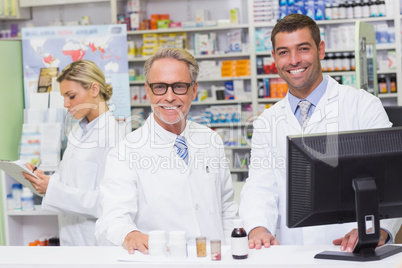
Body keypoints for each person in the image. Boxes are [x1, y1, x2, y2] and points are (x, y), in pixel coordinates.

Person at [239, 13, 402, 252]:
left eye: (303, 49)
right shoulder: (267, 121)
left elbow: (391, 180)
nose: (294, 60)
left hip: (353, 250)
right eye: (284, 52)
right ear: (274, 58)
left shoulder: (362, 105)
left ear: (321, 50)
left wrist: (378, 228)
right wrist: (258, 227)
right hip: (292, 253)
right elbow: (260, 185)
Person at [95, 48, 238, 254]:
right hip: (162, 261)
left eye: (179, 86)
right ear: (148, 90)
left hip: (215, 260)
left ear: (194, 90)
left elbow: (227, 209)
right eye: (160, 87)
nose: (169, 97)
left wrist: (230, 251)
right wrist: (129, 234)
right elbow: (112, 219)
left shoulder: (211, 140)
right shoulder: (125, 153)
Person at [23, 60, 124, 246]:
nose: (65, 104)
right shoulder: (78, 130)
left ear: (94, 89)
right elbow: (66, 176)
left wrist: (52, 189)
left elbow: (107, 201)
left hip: (93, 241)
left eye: (71, 96)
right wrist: (43, 180)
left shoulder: (112, 137)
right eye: (63, 97)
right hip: (70, 237)